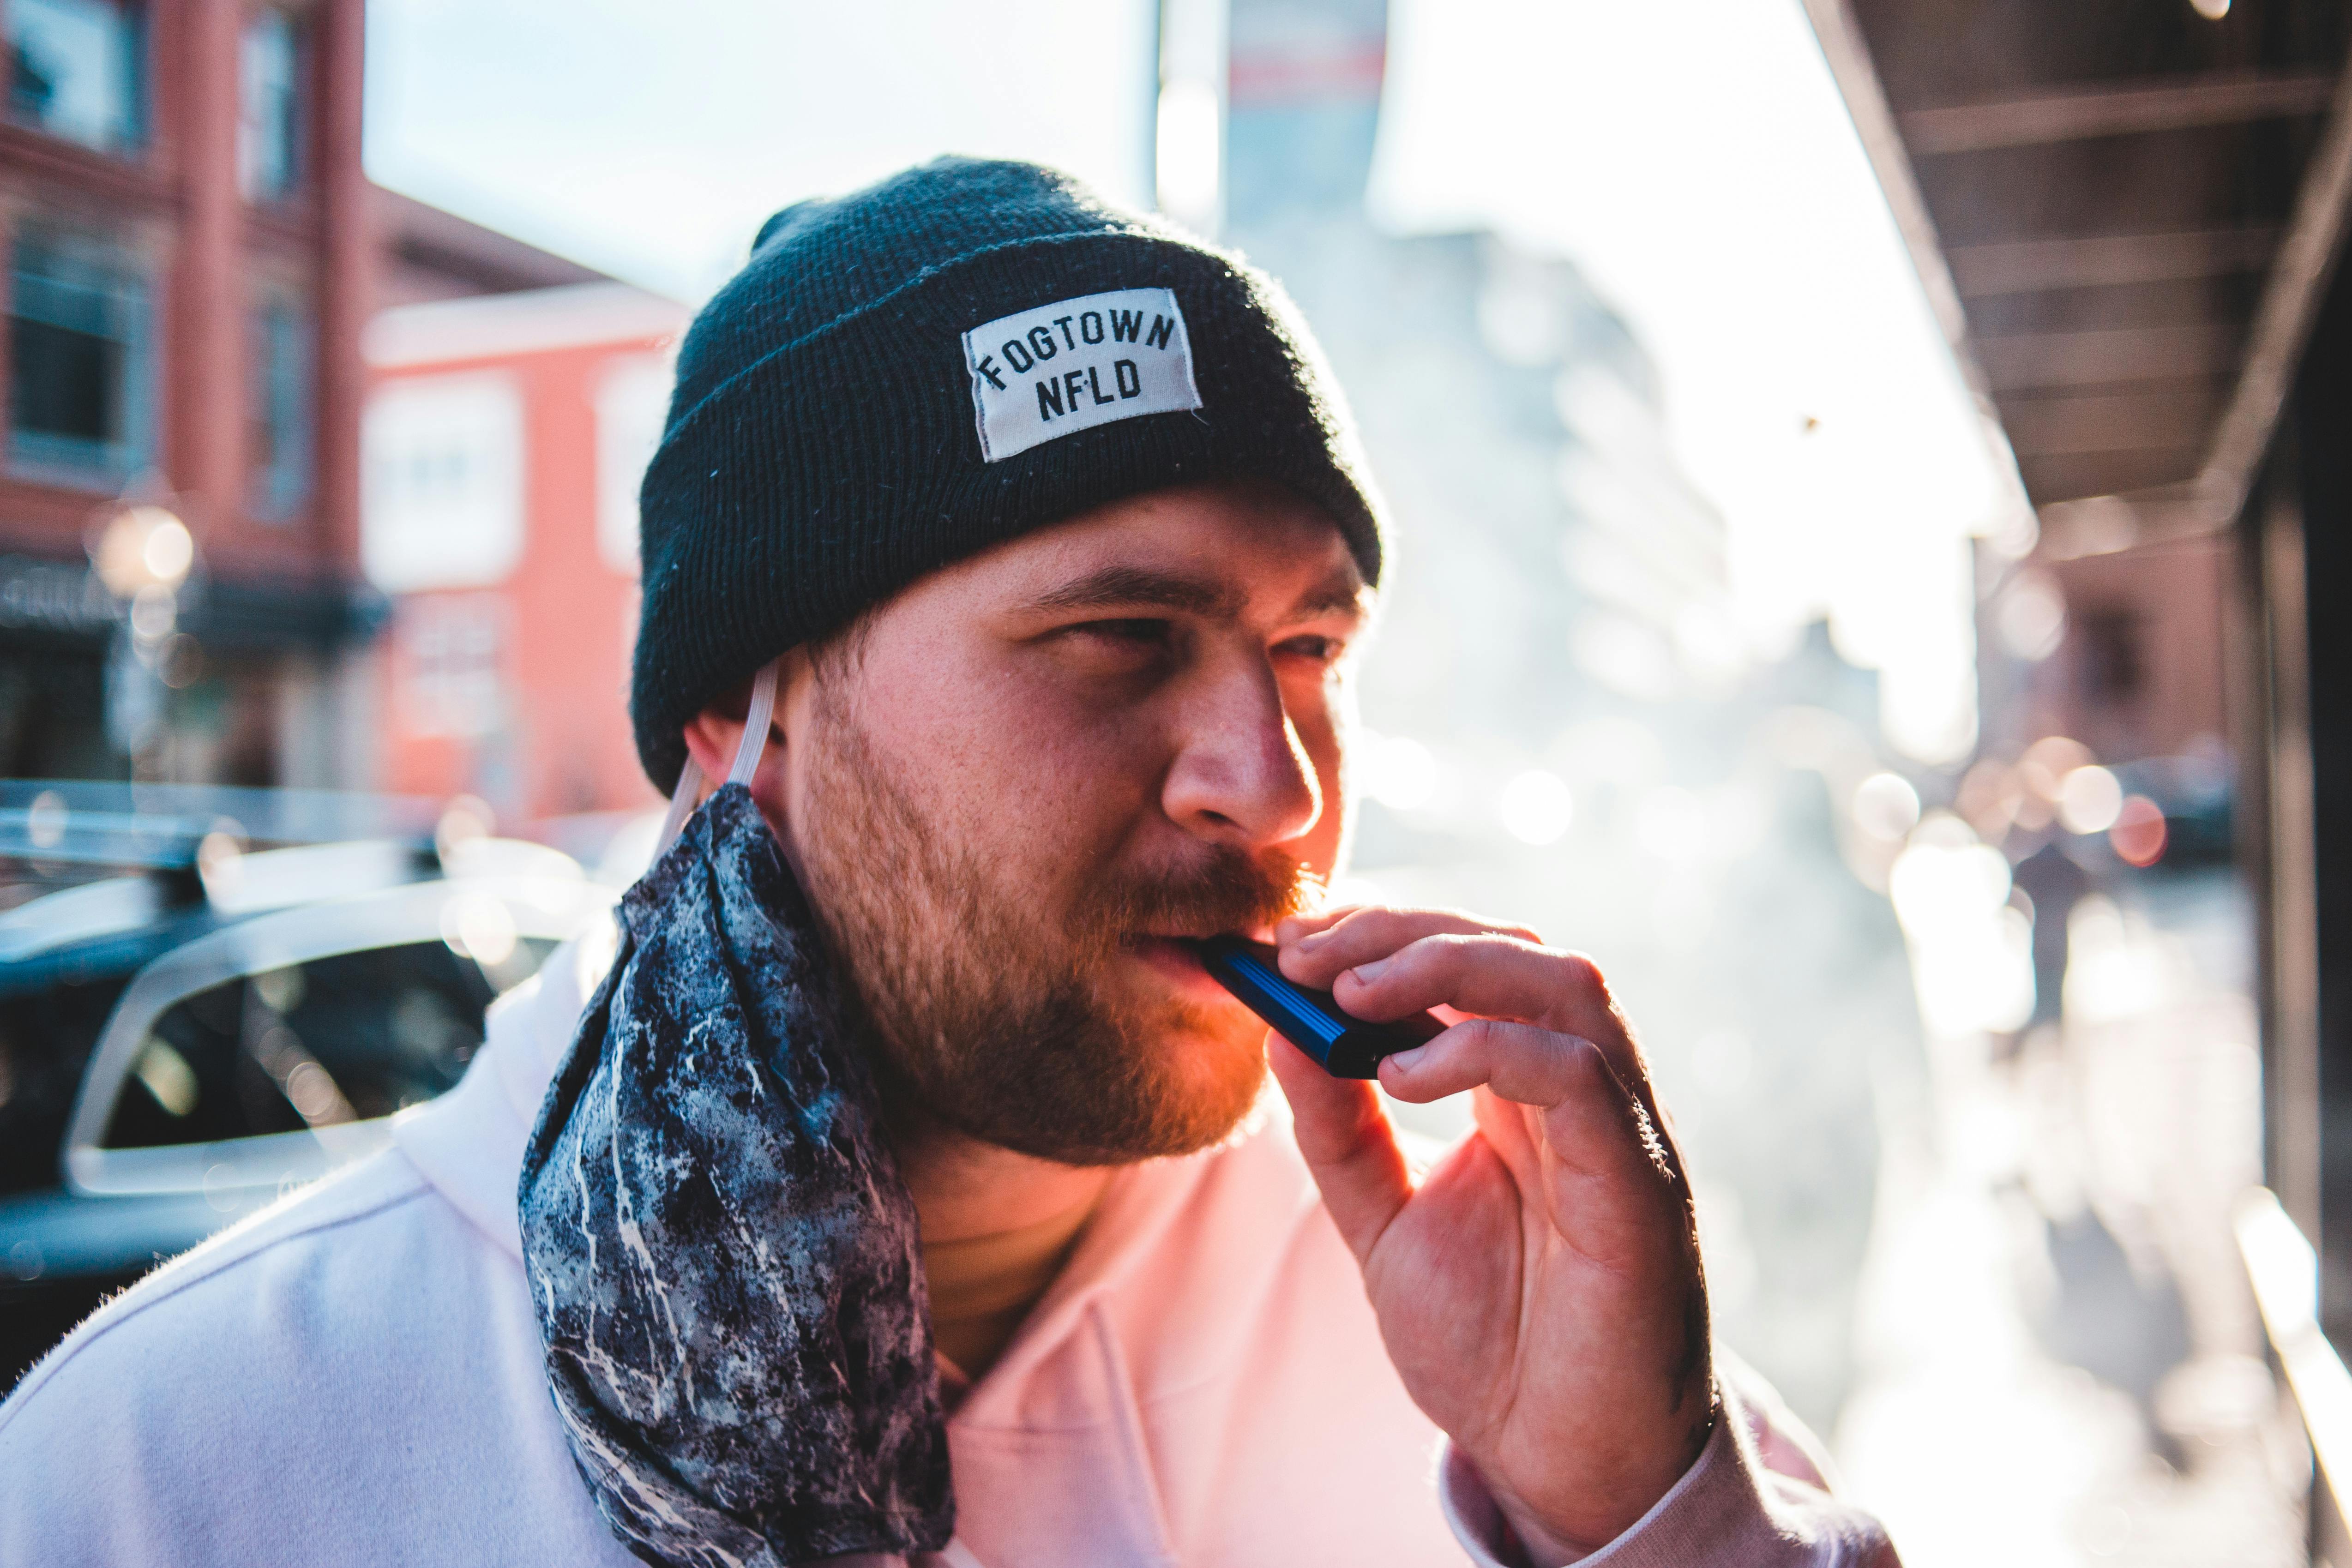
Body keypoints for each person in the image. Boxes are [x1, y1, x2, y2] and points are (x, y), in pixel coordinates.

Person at [0, 158, 1893, 1567]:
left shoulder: (1454, 1322)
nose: (1275, 782)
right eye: (1117, 635)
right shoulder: (176, 1469)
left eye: (1308, 651)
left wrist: (1651, 1513)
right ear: (746, 722)